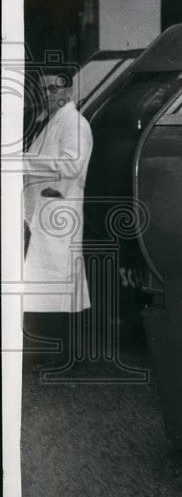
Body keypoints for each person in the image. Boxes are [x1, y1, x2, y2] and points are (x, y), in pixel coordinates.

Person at [22, 73, 93, 374]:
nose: (48, 94)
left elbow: (73, 164)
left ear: (69, 89)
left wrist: (24, 161)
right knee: (48, 286)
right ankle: (56, 355)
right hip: (45, 215)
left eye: (54, 88)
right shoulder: (51, 122)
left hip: (59, 213)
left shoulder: (75, 123)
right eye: (44, 89)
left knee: (59, 285)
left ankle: (65, 358)